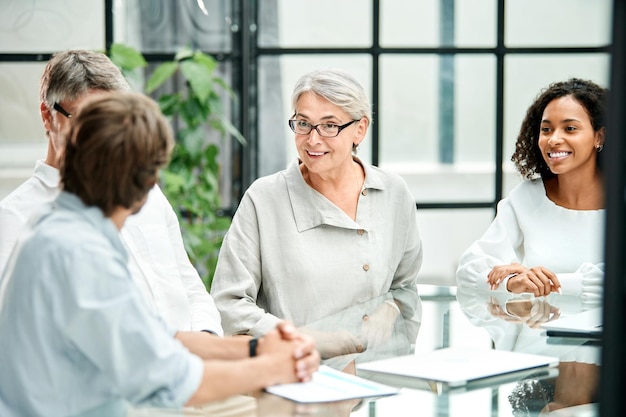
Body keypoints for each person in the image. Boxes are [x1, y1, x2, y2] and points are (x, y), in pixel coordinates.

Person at [0, 92, 319, 416]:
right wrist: (273, 367)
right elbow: (172, 383)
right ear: (147, 183)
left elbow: (156, 338)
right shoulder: (82, 254)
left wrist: (256, 348)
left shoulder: (57, 225)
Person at [0, 49, 223, 335]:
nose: (104, 135)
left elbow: (188, 284)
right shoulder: (16, 218)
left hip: (191, 362)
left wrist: (208, 338)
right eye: (89, 121)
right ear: (48, 116)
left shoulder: (147, 191)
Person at [210, 69, 423, 343]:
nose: (313, 139)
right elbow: (228, 304)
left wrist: (391, 308)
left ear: (360, 129)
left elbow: (405, 286)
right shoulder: (263, 199)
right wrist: (302, 339)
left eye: (329, 125)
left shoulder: (394, 193)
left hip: (379, 371)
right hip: (299, 373)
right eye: (303, 123)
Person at [456, 78, 606, 298]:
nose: (553, 139)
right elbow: (468, 272)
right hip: (538, 328)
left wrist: (539, 284)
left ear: (599, 136)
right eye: (546, 129)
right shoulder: (526, 197)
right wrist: (513, 282)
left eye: (570, 128)